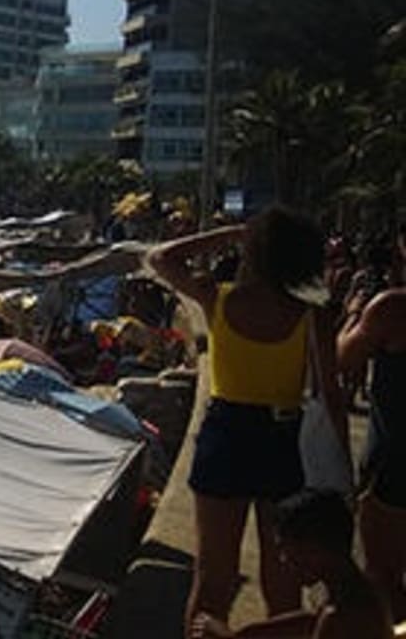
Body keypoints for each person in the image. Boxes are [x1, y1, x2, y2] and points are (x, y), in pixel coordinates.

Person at [149, 208, 346, 630]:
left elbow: (161, 258)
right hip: (284, 440)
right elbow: (332, 398)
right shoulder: (311, 314)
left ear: (254, 251)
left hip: (226, 436)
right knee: (284, 585)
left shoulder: (217, 299)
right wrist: (341, 472)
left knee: (212, 581)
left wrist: (232, 232)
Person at [192, 490, 391, 639]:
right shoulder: (358, 587)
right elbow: (311, 619)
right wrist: (245, 635)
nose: (283, 559)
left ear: (314, 549)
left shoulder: (338, 619)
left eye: (287, 549)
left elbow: (322, 621)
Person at [337, 225, 406, 622]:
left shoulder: (393, 308)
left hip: (395, 466)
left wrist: (352, 314)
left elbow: (343, 358)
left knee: (383, 577)